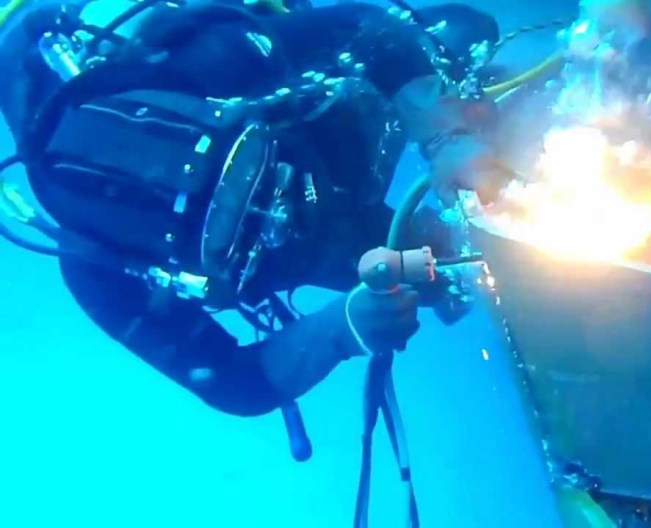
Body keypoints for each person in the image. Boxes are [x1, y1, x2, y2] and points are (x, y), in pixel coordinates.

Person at [0, 0, 510, 417]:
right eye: (240, 237)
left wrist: (446, 136)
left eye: (256, 182)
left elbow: (371, 29)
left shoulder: (204, 63)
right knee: (442, 271)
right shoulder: (99, 271)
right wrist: (341, 329)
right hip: (305, 239)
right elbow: (232, 382)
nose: (280, 217)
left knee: (466, 34)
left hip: (315, 120)